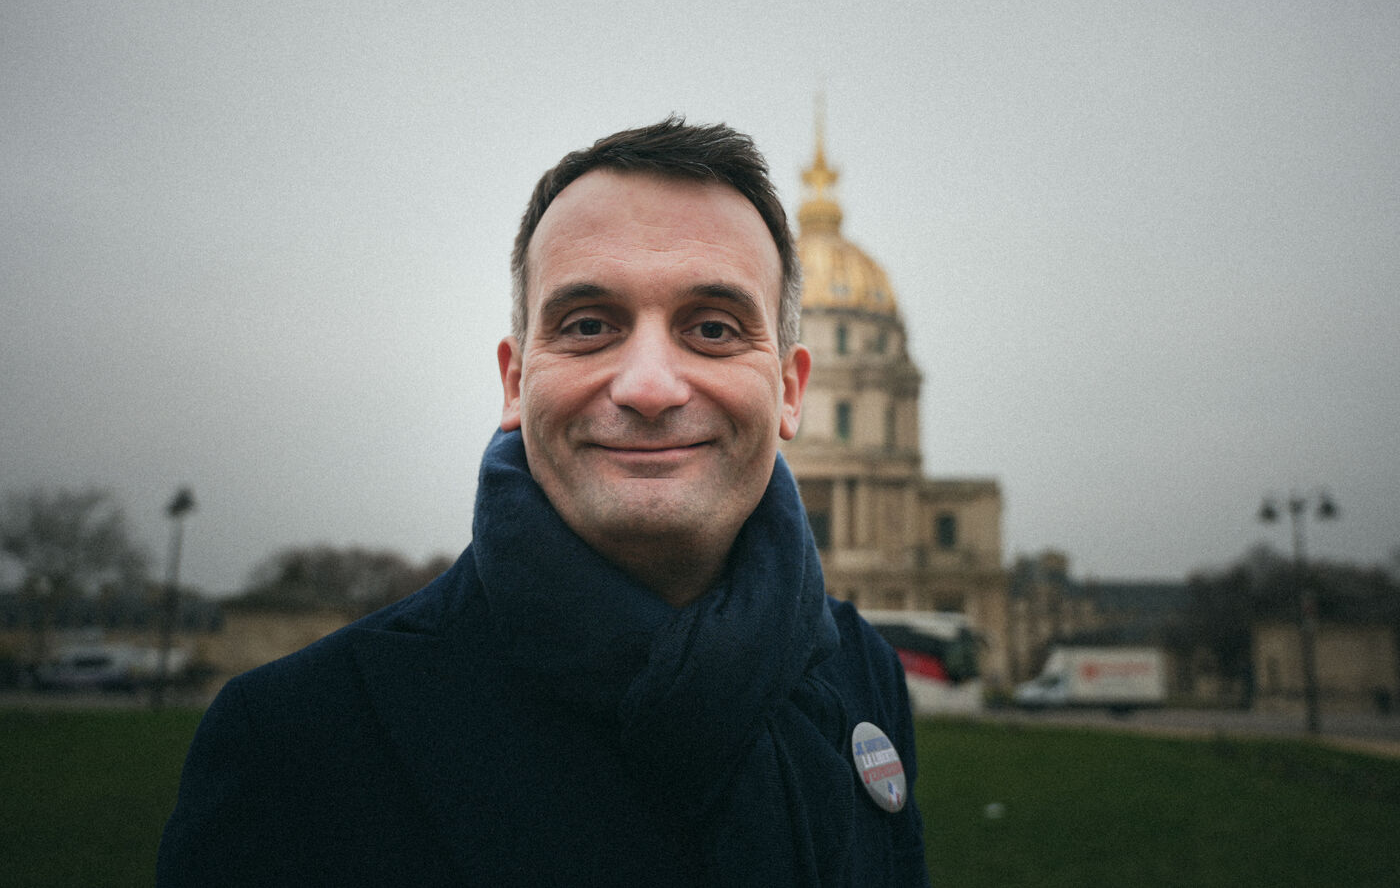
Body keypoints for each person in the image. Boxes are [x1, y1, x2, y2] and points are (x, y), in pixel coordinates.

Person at [157, 117, 931, 887]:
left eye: (713, 327)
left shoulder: (866, 673)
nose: (650, 386)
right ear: (515, 381)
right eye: (588, 325)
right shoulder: (291, 740)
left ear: (792, 389)